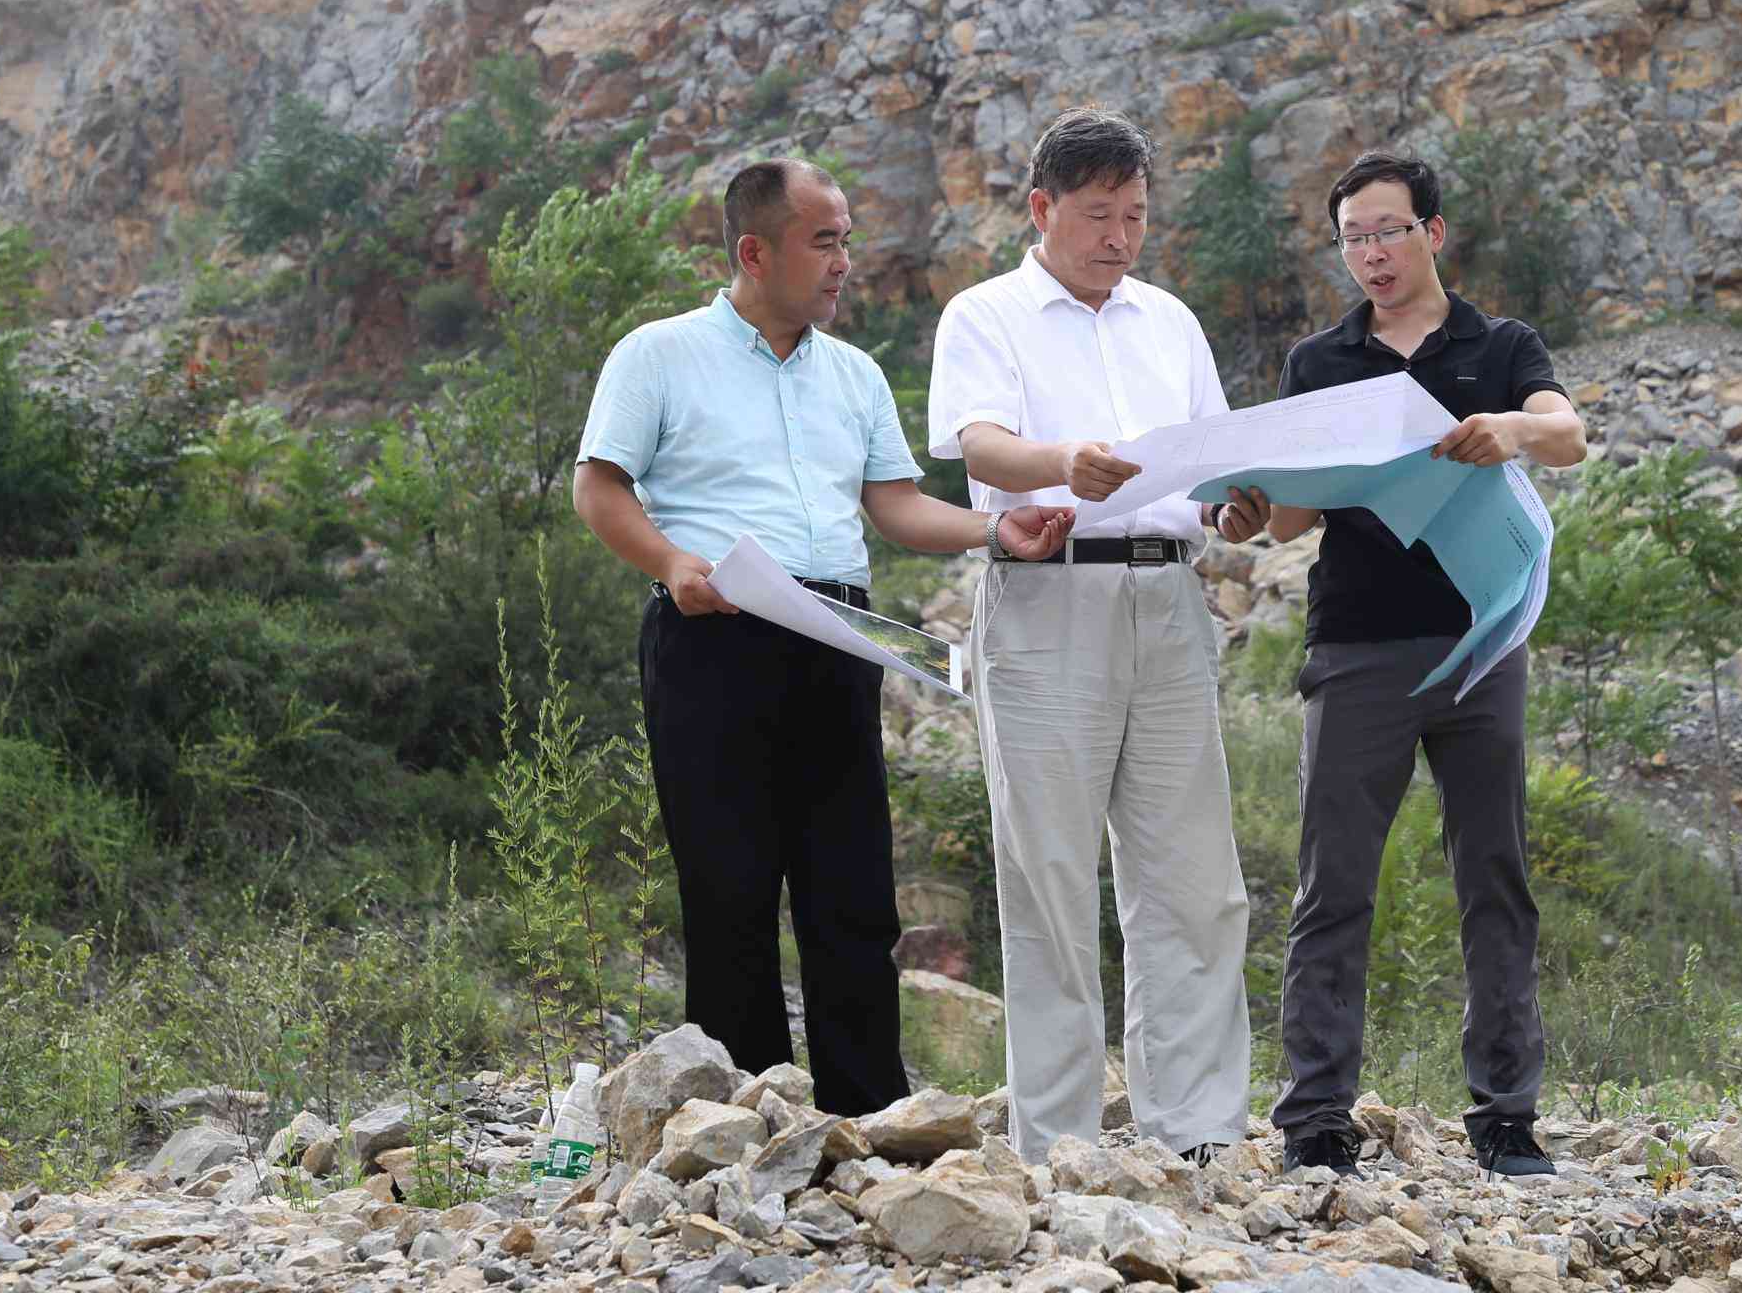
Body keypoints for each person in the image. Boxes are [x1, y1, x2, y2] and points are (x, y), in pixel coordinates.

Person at [572, 158, 1072, 1117]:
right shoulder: (658, 355)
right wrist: (670, 562)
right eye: (825, 241)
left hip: (840, 641)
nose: (846, 261)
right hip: (713, 632)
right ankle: (741, 1120)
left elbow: (894, 506)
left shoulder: (855, 373)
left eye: (848, 240)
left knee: (852, 887)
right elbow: (598, 487)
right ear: (755, 252)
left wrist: (993, 530)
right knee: (729, 889)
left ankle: (867, 1116)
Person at [1226, 149, 1586, 1178]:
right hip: (1356, 647)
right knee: (1333, 884)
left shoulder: (1500, 344)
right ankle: (1315, 1120)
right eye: (1353, 239)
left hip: (1482, 642)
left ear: (1432, 232)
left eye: (1388, 231)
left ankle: (1506, 1116)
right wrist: (1249, 514)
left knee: (1495, 876)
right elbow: (1291, 512)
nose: (1372, 253)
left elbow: (1568, 434)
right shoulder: (1319, 361)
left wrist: (1509, 429)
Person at [926, 107, 1262, 1163]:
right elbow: (978, 442)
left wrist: (1231, 509)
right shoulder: (986, 313)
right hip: (1048, 595)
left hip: (1170, 596)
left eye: (1137, 215)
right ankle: (1058, 1147)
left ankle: (1196, 1134)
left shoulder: (1170, 321)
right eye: (1099, 215)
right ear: (1042, 208)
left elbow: (1207, 467)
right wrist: (1061, 462)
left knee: (1192, 877)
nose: (1120, 237)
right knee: (1050, 876)